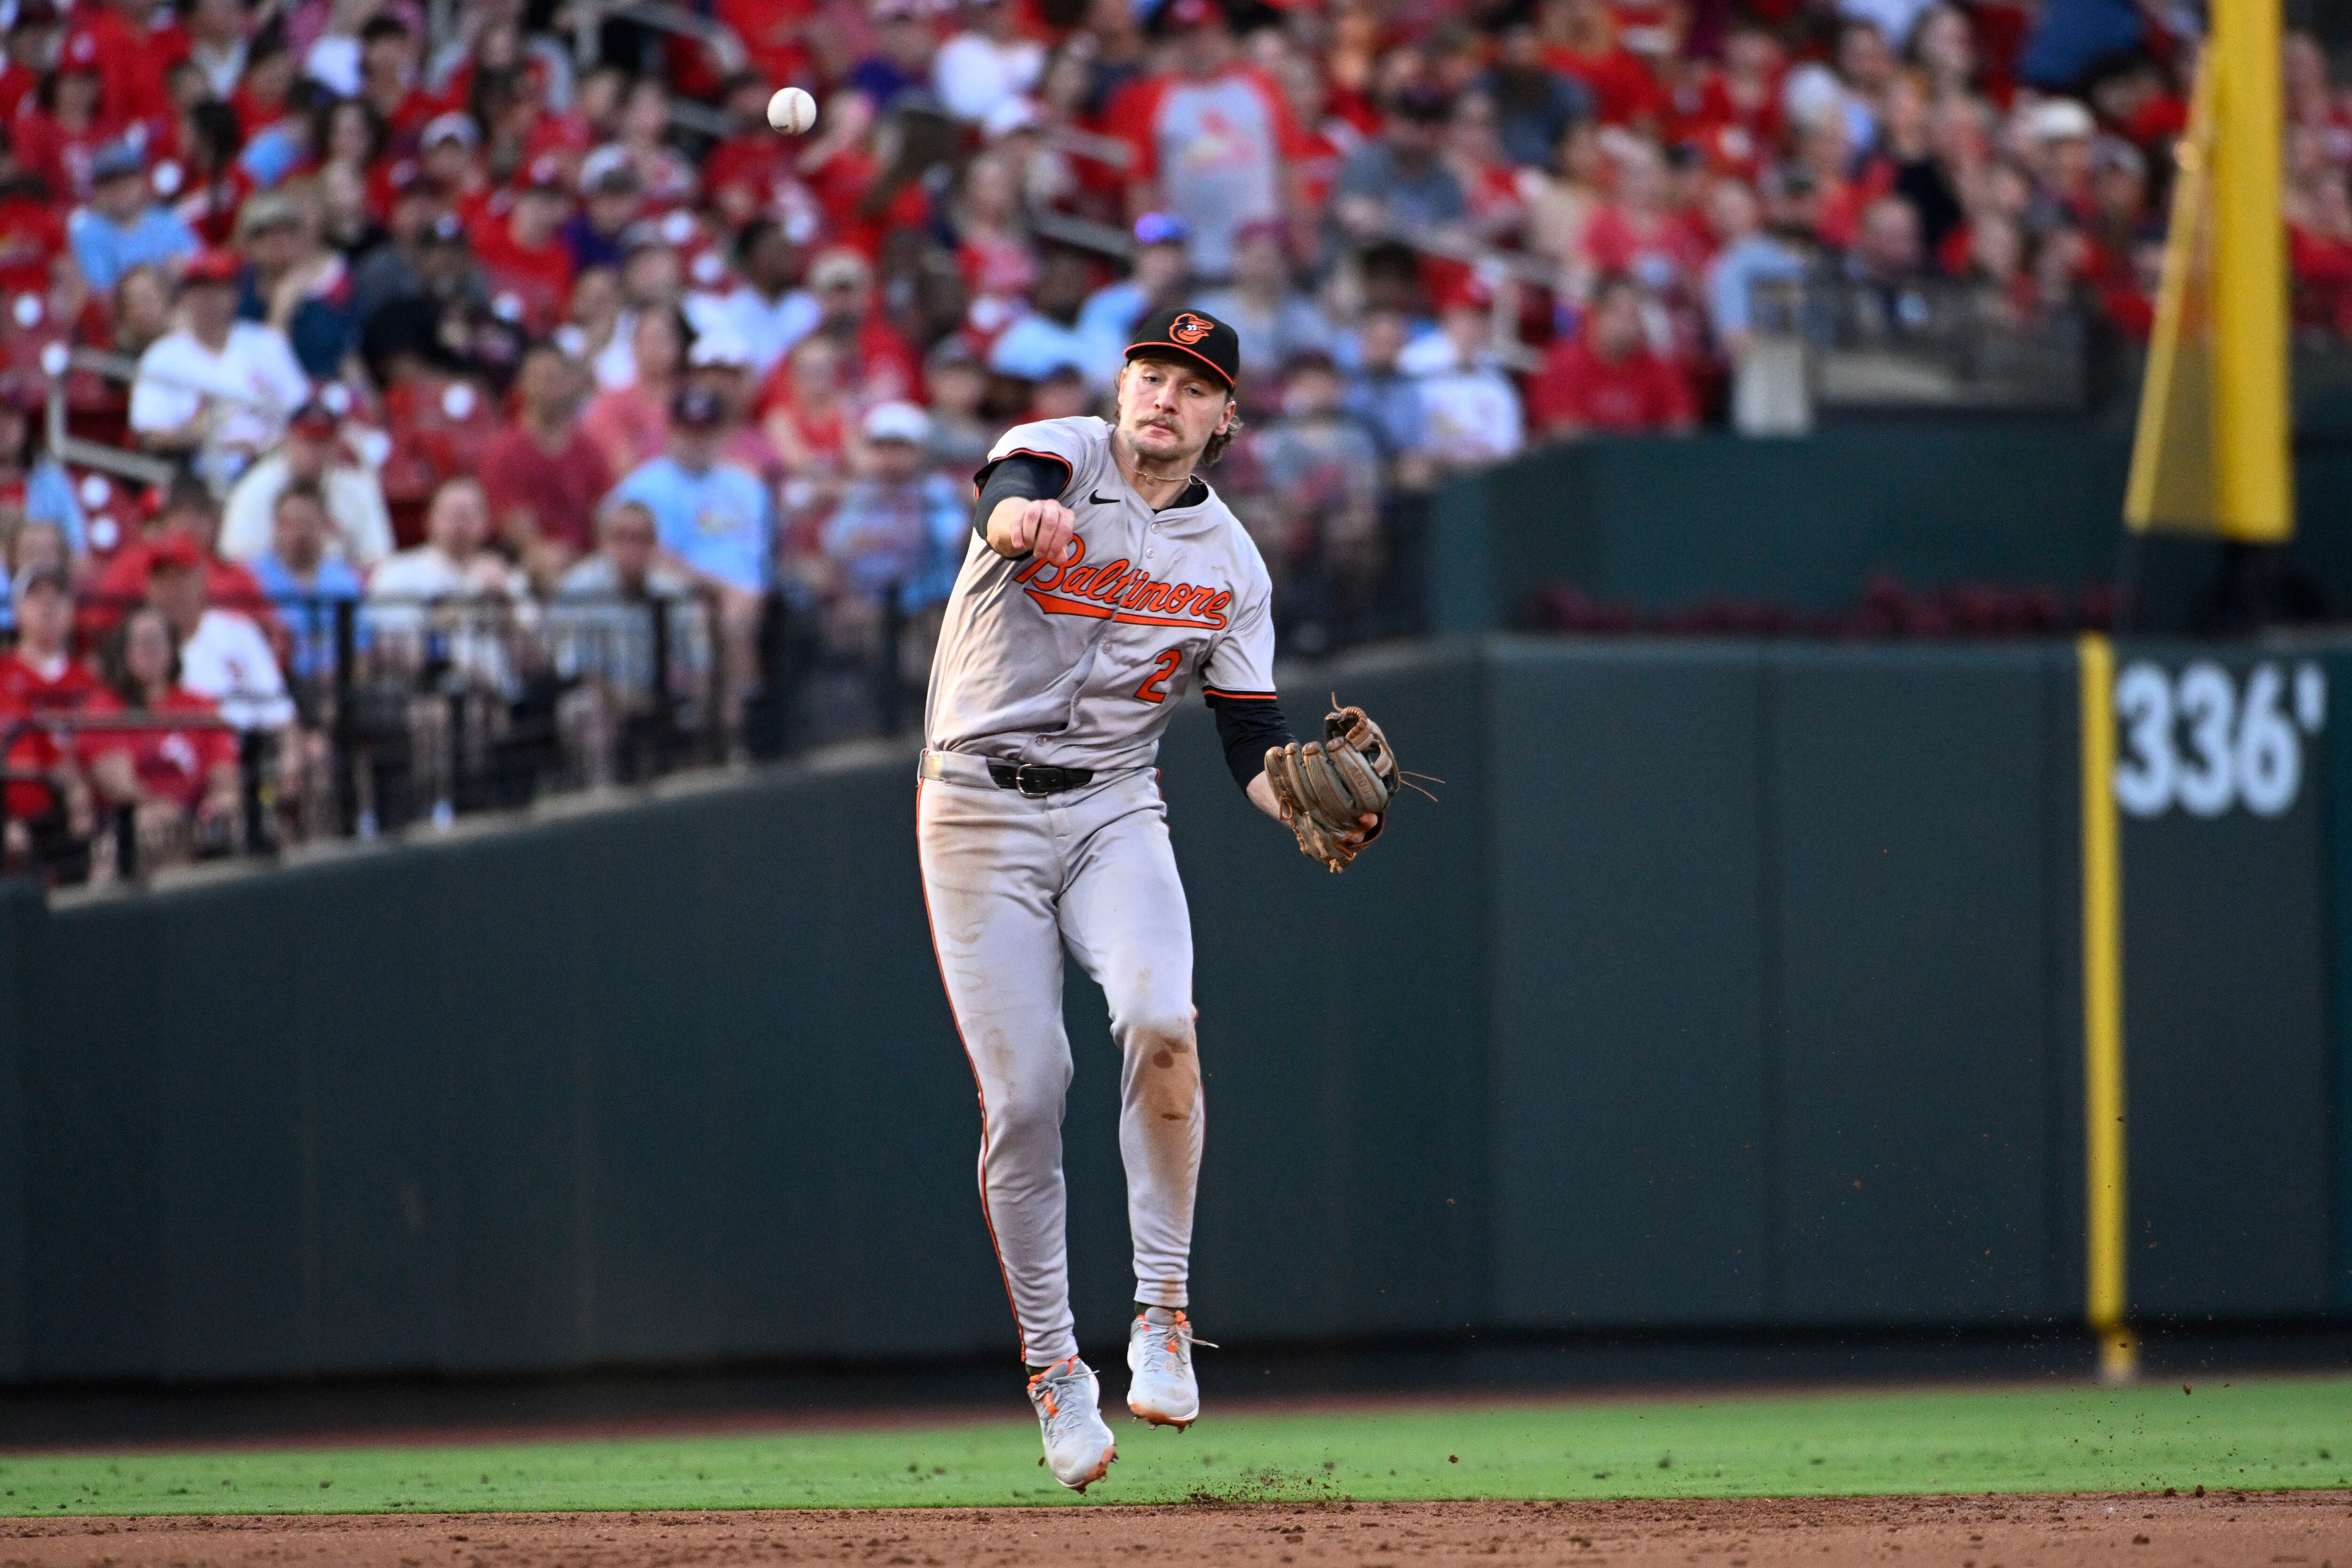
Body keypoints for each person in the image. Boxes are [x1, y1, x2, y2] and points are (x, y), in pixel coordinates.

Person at [917, 307, 1373, 1489]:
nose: (1163, 394)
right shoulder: (1061, 450)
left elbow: (1251, 739)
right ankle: (1057, 1369)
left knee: (1162, 1025)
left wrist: (1308, 808)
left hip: (1117, 806)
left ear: (1225, 418)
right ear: (1123, 385)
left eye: (1192, 383)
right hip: (976, 806)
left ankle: (1162, 1311)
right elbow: (1007, 490)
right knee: (1027, 1097)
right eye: (1151, 371)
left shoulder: (1233, 563)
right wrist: (1016, 519)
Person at [609, 387, 771, 735]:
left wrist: (740, 591)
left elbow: (757, 552)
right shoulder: (645, 485)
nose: (696, 441)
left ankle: (742, 721)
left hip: (750, 594)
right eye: (687, 431)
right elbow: (649, 554)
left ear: (721, 434)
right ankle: (727, 725)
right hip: (682, 594)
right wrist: (720, 589)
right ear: (670, 432)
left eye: (705, 431)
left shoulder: (745, 485)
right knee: (715, 613)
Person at [130, 248, 312, 489]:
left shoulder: (265, 343)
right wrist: (209, 437)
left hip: (275, 466)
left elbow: (302, 409)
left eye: (218, 290)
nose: (210, 301)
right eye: (200, 292)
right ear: (185, 298)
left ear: (234, 295)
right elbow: (152, 435)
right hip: (200, 477)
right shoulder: (162, 357)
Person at [82, 603, 242, 864]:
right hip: (131, 821)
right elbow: (118, 785)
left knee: (236, 816)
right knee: (147, 827)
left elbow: (225, 775)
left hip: (195, 819)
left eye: (158, 640)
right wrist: (162, 809)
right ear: (124, 651)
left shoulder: (201, 707)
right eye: (141, 642)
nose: (150, 650)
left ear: (172, 648)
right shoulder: (105, 707)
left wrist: (217, 803)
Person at [478, 340, 614, 585]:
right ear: (522, 384)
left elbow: (602, 515)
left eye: (553, 378)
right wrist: (544, 555)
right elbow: (512, 522)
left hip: (587, 564)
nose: (545, 386)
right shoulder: (504, 451)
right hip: (523, 566)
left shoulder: (590, 450)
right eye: (537, 377)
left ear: (569, 384)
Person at [146, 530, 298, 734]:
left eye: (181, 577)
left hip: (248, 748)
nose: (173, 590)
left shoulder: (239, 631)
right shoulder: (139, 641)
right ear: (149, 588)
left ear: (201, 580)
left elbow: (281, 714)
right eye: (164, 579)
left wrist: (291, 755)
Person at [0, 563, 97, 878]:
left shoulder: (90, 680)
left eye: (57, 595)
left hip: (85, 803)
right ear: (16, 610)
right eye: (35, 595)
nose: (47, 604)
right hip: (25, 805)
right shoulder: (4, 674)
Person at [219, 398, 396, 568]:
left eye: (322, 442)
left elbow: (377, 560)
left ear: (336, 445)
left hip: (342, 592)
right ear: (289, 441)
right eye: (307, 441)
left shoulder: (355, 488)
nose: (314, 452)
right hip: (273, 593)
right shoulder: (256, 489)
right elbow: (238, 561)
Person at [1526, 271, 1697, 436]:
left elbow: (1682, 429)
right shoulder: (1563, 363)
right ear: (1595, 314)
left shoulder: (1661, 369)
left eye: (1633, 316)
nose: (1626, 324)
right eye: (1617, 313)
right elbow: (1560, 431)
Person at [247, 481, 366, 684]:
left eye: (309, 524)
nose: (301, 534)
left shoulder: (344, 581)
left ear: (325, 526)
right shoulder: (252, 579)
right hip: (274, 687)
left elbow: (362, 651)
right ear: (275, 527)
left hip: (335, 688)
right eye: (291, 524)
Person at [68, 139, 199, 295]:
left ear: (141, 180)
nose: (120, 188)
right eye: (110, 182)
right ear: (98, 189)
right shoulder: (88, 232)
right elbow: (101, 291)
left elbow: (198, 268)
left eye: (126, 179)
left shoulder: (168, 222)